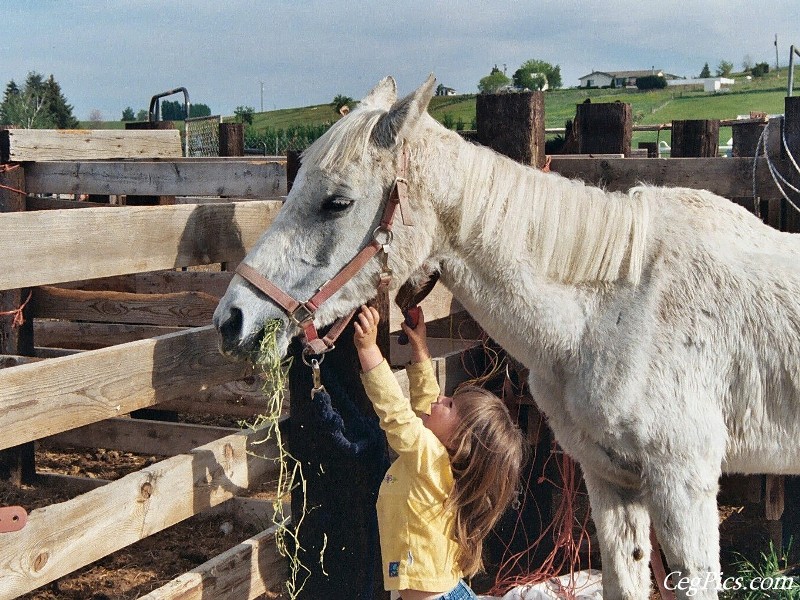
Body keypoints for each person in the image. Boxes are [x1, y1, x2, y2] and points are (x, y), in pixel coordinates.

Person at [354, 304, 528, 600]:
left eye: (451, 405)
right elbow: (428, 401)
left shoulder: (431, 459)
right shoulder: (443, 463)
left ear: (459, 442)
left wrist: (368, 349)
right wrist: (419, 347)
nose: (442, 398)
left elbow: (396, 414)